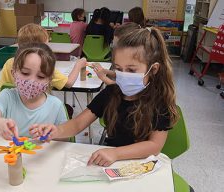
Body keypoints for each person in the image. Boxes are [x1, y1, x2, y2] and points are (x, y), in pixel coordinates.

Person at [29, 27, 179, 167]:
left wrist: (116, 153)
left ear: (153, 69)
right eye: (119, 69)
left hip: (141, 163)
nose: (123, 75)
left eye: (131, 70)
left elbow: (154, 146)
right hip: (111, 163)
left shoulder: (159, 101)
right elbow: (77, 124)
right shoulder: (111, 93)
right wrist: (55, 131)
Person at [0, 42, 68, 140]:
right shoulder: (6, 97)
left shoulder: (55, 105)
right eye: (25, 73)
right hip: (12, 153)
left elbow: (65, 138)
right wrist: (1, 123)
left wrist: (51, 134)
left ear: (49, 80)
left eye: (41, 76)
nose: (32, 81)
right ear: (13, 73)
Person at [0, 23, 86, 92]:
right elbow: (69, 83)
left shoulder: (10, 62)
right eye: (47, 44)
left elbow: (2, 88)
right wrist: (78, 65)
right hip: (37, 106)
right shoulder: (44, 64)